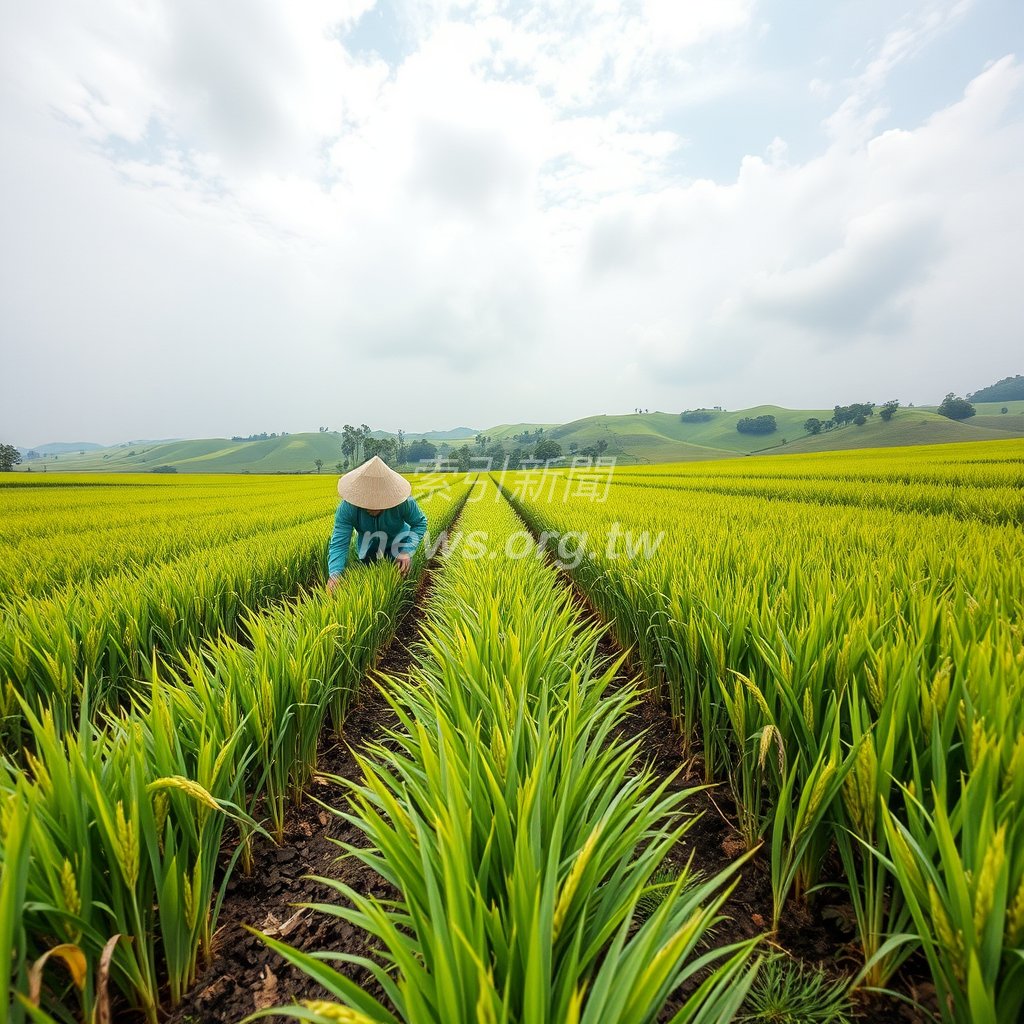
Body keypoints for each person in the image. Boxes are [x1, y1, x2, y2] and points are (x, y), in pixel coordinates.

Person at [326, 456, 428, 592]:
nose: (372, 507)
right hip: (368, 550)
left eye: (378, 502)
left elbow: (420, 523)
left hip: (398, 545)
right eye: (367, 502)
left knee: (400, 584)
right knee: (369, 590)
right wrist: (335, 573)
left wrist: (406, 551)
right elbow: (340, 543)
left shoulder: (403, 502)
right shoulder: (348, 508)